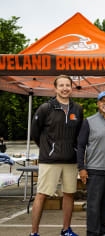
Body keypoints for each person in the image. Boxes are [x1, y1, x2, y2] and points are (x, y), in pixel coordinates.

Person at [30, 75, 83, 236]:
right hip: (50, 160)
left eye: (68, 85)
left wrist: (75, 152)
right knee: (41, 195)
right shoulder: (46, 108)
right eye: (61, 85)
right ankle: (34, 233)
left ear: (71, 87)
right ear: (55, 88)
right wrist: (48, 149)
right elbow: (35, 132)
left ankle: (66, 230)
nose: (65, 88)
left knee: (69, 194)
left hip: (70, 160)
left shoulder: (78, 109)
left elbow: (80, 135)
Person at [77, 91, 105, 236]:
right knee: (93, 205)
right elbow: (81, 146)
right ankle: (92, 232)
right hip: (94, 170)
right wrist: (81, 168)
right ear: (98, 104)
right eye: (102, 101)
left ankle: (103, 231)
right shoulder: (89, 121)